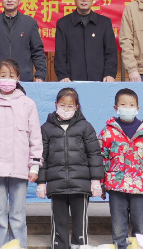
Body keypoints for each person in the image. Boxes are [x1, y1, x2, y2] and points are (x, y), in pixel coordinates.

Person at [0, 59, 43, 249]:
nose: (7, 79)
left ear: (18, 78)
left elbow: (35, 137)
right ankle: (0, 246)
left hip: (20, 168)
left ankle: (18, 246)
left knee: (18, 214)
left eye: (11, 76)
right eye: (3, 75)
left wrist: (34, 165)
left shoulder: (28, 104)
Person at [37, 88, 103, 249]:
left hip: (80, 185)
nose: (65, 109)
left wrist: (96, 180)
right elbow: (41, 157)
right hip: (56, 184)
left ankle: (80, 246)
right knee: (59, 221)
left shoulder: (85, 127)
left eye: (70, 106)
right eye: (62, 105)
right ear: (55, 104)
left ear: (77, 107)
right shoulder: (46, 128)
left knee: (80, 221)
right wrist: (41, 182)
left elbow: (94, 154)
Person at [99, 88, 143, 249]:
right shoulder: (108, 132)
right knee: (118, 227)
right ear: (116, 108)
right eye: (123, 104)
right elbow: (100, 158)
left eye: (131, 105)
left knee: (139, 227)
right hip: (116, 186)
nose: (127, 108)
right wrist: (100, 184)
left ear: (137, 108)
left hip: (140, 186)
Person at [54, 0, 118, 82]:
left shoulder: (104, 23)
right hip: (72, 80)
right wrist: (63, 75)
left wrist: (109, 73)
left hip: (100, 79)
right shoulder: (63, 24)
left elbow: (111, 52)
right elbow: (60, 54)